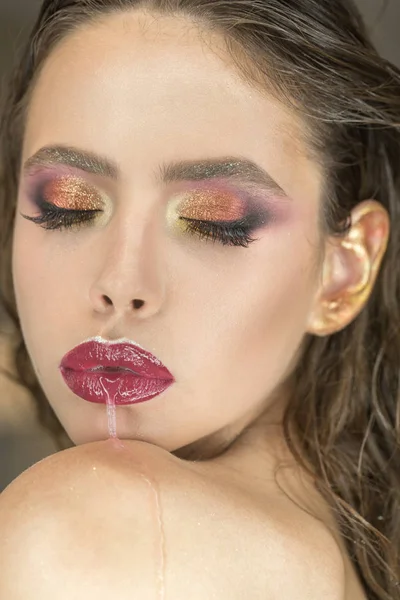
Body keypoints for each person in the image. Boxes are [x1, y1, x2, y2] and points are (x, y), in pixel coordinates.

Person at [0, 0, 399, 597]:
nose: (121, 282)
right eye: (69, 205)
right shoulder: (342, 555)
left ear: (342, 272)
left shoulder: (102, 523)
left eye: (214, 220)